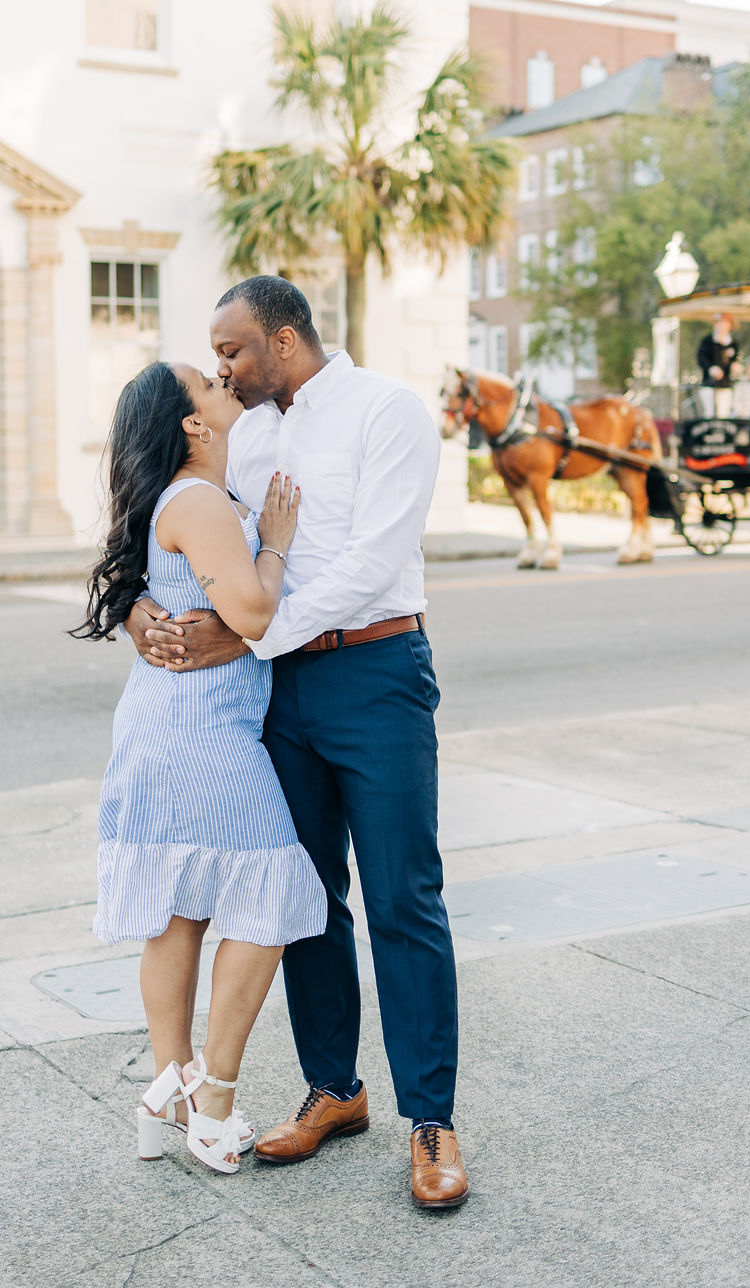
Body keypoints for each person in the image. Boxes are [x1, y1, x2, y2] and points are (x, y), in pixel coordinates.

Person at [125, 277, 468, 1210]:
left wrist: (245, 633)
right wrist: (141, 609)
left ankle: (430, 1120)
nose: (223, 370)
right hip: (275, 694)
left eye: (231, 350)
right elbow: (179, 525)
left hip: (377, 671)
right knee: (305, 897)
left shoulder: (386, 410)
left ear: (283, 339)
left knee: (404, 896)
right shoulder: (246, 434)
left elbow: (372, 557)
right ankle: (335, 1090)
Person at [72, 361, 327, 1176]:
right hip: (201, 734)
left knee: (178, 907)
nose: (225, 382)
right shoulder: (201, 500)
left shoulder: (182, 500)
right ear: (194, 424)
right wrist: (277, 546)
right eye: (210, 385)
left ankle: (167, 1090)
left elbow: (176, 593)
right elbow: (252, 613)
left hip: (165, 725)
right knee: (272, 891)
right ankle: (212, 1097)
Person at [697, 313, 740, 417]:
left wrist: (734, 366)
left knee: (723, 413)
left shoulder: (733, 343)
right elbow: (701, 358)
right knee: (709, 412)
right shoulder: (707, 341)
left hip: (725, 384)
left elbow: (735, 359)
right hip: (709, 383)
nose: (722, 326)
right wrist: (711, 369)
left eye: (725, 323)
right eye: (719, 323)